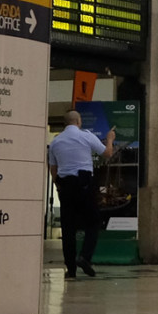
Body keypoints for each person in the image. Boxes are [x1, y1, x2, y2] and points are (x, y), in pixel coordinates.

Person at [49, 109, 114, 276]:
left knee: (68, 228)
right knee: (93, 221)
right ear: (78, 122)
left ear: (65, 123)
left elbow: (53, 169)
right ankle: (85, 257)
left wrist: (59, 186)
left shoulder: (56, 142)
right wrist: (110, 140)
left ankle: (70, 269)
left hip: (65, 186)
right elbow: (107, 154)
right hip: (84, 184)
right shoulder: (86, 136)